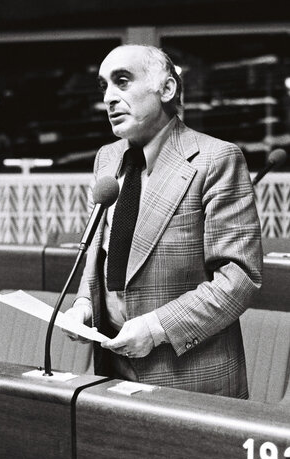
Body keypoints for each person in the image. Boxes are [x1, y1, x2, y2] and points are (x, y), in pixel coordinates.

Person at [63, 44, 262, 398]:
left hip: (188, 376)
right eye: (103, 86)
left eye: (122, 82)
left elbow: (239, 279)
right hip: (111, 368)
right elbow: (102, 249)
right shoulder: (107, 158)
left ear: (167, 89)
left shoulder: (217, 159)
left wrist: (156, 327)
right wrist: (83, 306)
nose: (108, 97)